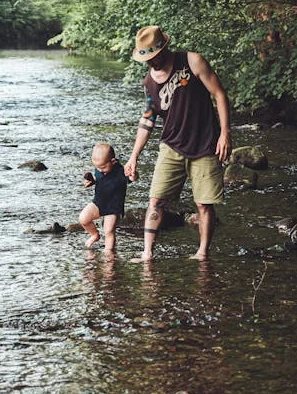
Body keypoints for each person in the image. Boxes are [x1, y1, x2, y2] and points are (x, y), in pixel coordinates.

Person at [124, 25, 232, 261]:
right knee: (155, 200)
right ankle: (147, 253)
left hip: (205, 145)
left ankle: (202, 253)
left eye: (155, 57)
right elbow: (147, 121)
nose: (152, 63)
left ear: (164, 48)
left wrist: (225, 134)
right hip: (171, 146)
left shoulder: (192, 62)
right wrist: (133, 157)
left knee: (203, 204)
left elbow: (220, 94)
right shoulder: (148, 84)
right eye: (147, 59)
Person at [79, 143, 130, 253]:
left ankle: (109, 254)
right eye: (97, 167)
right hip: (98, 202)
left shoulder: (120, 171)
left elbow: (131, 178)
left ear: (112, 161)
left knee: (109, 231)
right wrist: (91, 182)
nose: (100, 170)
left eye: (103, 167)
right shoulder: (100, 167)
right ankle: (94, 234)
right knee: (83, 219)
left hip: (113, 207)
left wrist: (133, 174)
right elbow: (100, 180)